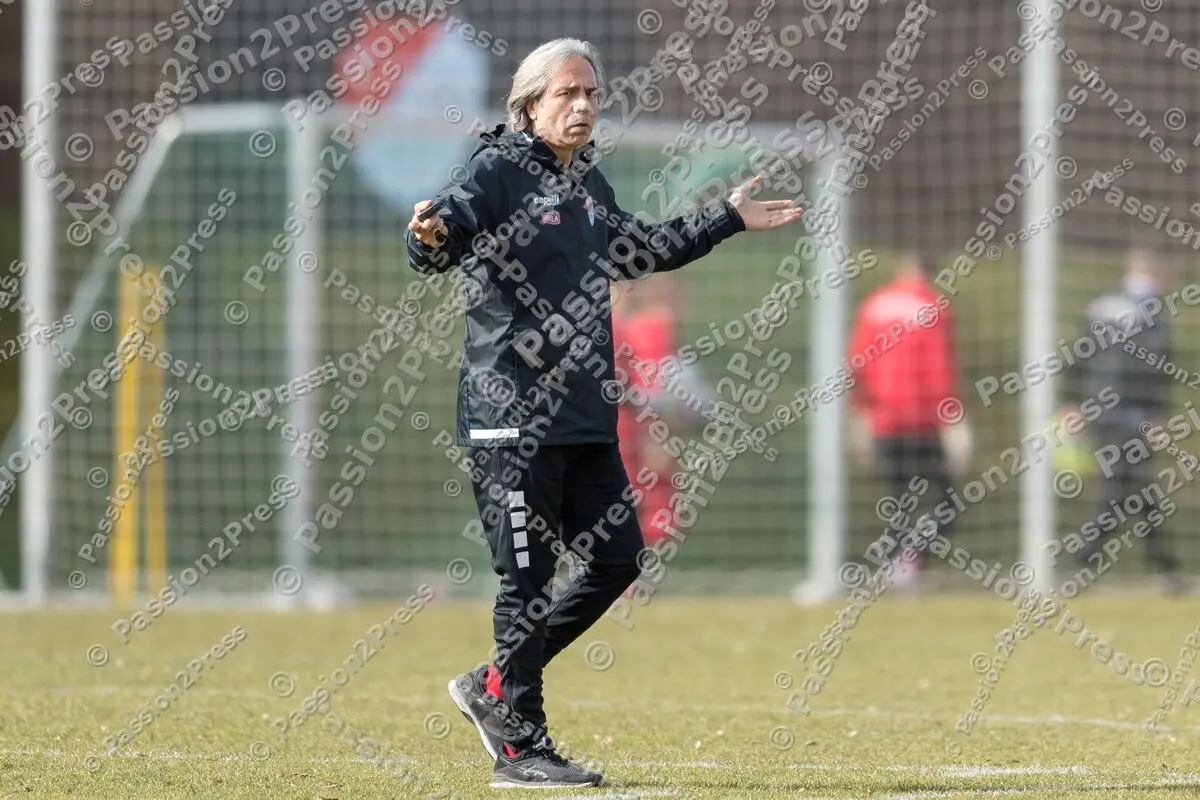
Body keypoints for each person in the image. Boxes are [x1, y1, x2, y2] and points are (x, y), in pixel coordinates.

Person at [405, 38, 803, 790]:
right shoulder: (496, 170)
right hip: (509, 417)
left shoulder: (584, 181)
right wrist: (426, 239)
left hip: (583, 417)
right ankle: (520, 746)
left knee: (619, 558)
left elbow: (637, 249)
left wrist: (726, 219)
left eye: (592, 93)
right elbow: (441, 232)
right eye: (566, 93)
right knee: (525, 578)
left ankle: (491, 685)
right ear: (528, 107)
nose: (583, 105)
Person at [1059, 240, 1187, 594]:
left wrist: (1071, 401)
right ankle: (1083, 567)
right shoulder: (1154, 312)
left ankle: (1168, 571)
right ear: (1159, 271)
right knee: (1118, 495)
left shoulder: (1102, 304)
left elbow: (1077, 353)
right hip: (1132, 417)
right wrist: (1156, 418)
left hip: (1100, 412)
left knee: (1138, 494)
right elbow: (1154, 369)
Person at [846, 252, 971, 590]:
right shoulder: (933, 306)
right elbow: (939, 369)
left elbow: (856, 364)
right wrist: (953, 419)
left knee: (896, 497)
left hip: (884, 419)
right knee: (948, 499)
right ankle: (910, 560)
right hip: (922, 421)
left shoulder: (874, 305)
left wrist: (858, 413)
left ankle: (895, 565)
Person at [612, 274, 711, 553]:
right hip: (627, 434)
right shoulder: (649, 327)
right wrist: (659, 436)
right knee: (645, 506)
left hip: (627, 430)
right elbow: (656, 394)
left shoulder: (640, 328)